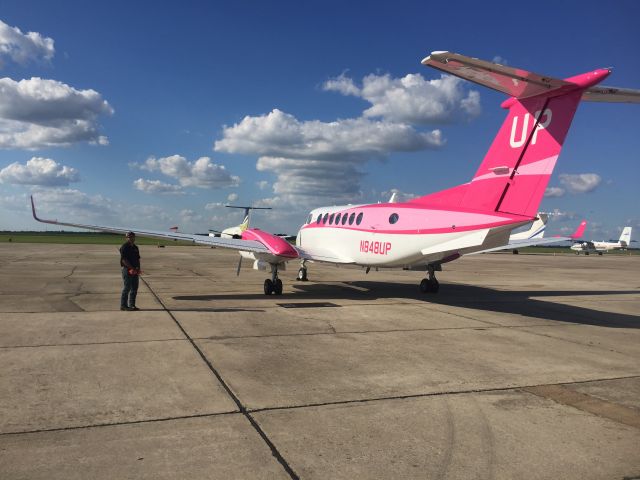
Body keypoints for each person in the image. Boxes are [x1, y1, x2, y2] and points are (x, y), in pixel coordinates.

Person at [120, 231, 141, 311]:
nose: (131, 238)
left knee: (134, 288)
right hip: (127, 270)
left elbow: (138, 259)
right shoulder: (124, 247)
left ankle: (132, 305)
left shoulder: (135, 247)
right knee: (127, 288)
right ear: (126, 238)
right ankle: (123, 305)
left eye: (132, 237)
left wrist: (138, 269)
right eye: (129, 237)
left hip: (135, 270)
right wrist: (131, 268)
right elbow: (124, 260)